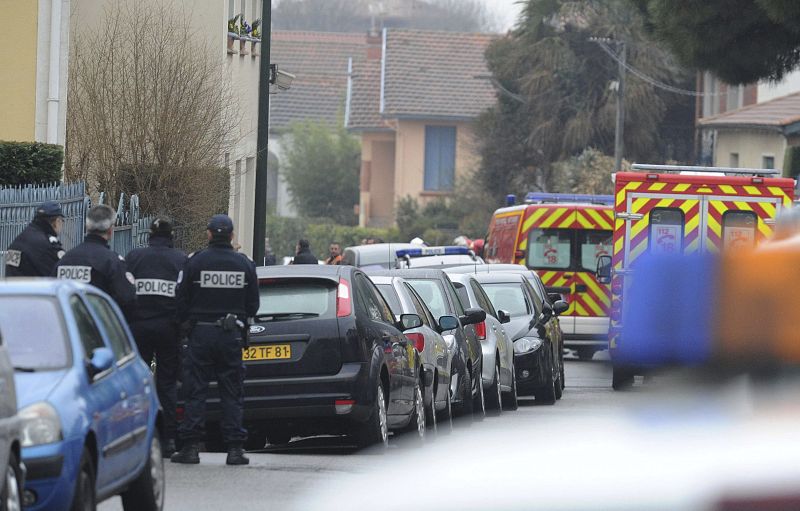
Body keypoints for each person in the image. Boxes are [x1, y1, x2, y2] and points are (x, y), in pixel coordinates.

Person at [171, 214, 259, 466]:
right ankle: (234, 449)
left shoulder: (195, 262)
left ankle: (190, 448)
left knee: (195, 390)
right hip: (230, 334)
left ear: (209, 234)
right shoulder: (244, 264)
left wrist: (187, 324)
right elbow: (253, 305)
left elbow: (181, 299)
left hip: (201, 334)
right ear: (231, 236)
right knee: (231, 392)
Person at [125, 217, 187, 456]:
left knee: (139, 382)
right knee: (167, 384)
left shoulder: (134, 257)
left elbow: (125, 291)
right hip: (168, 329)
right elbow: (184, 296)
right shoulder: (179, 260)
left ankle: (139, 435)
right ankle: (168, 439)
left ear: (150, 235)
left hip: (139, 327)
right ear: (171, 236)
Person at [54, 205, 136, 317]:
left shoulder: (66, 259)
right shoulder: (112, 262)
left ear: (87, 227)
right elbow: (127, 298)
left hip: (68, 323)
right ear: (110, 230)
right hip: (98, 326)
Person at [4, 201, 65, 277]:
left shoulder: (20, 239)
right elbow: (58, 276)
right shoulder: (47, 245)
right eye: (62, 221)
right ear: (57, 222)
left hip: (11, 287)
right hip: (33, 288)